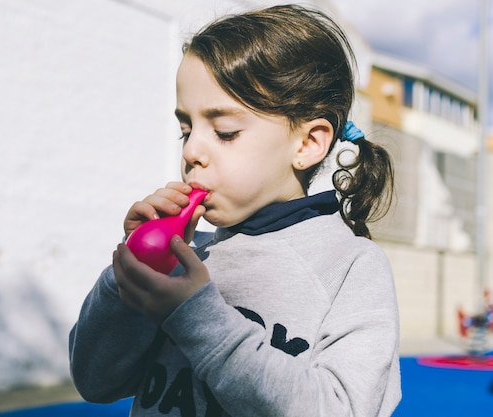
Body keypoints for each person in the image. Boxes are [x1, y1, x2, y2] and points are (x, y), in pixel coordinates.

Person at [69, 4, 401, 416]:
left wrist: (195, 317)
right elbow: (95, 381)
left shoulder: (351, 267)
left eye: (224, 132)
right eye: (185, 130)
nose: (191, 151)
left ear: (308, 143)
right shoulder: (189, 257)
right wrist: (131, 274)